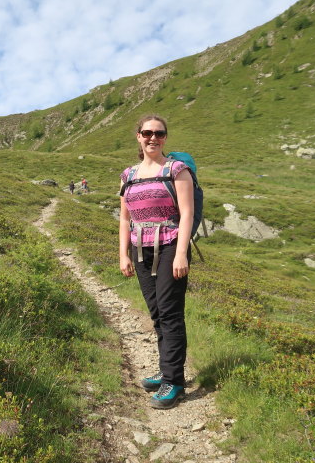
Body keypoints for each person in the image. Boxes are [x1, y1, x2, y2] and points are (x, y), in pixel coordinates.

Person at [118, 114, 194, 410]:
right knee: (157, 313)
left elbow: (186, 214)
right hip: (140, 250)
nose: (153, 138)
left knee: (170, 313)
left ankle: (174, 381)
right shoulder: (128, 175)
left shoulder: (177, 170)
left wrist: (181, 253)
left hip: (171, 245)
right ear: (138, 136)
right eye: (147, 133)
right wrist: (123, 254)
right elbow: (125, 219)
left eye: (159, 133)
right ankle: (167, 370)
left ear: (165, 138)